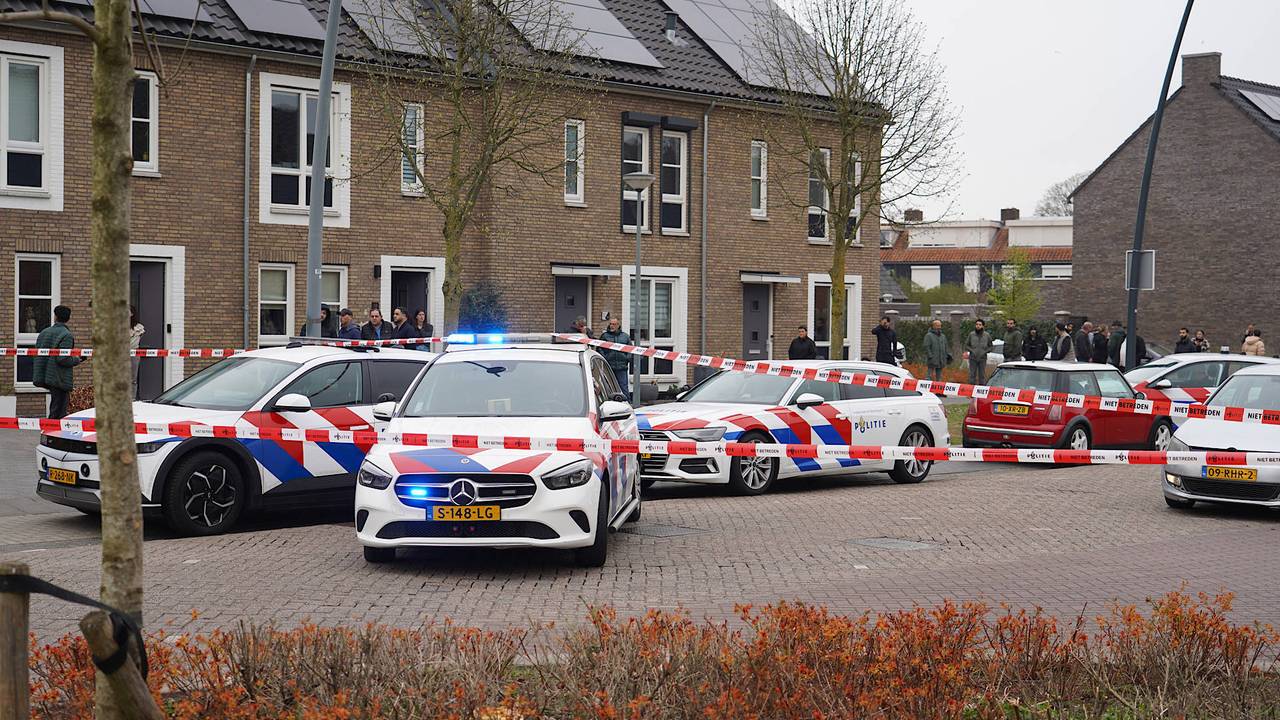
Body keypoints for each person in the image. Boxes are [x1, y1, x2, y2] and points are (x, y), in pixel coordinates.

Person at [32, 305, 82, 420]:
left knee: (54, 408)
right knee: (58, 412)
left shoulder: (44, 332)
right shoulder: (66, 335)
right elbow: (63, 359)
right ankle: (51, 436)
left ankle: (50, 435)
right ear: (68, 318)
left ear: (55, 317)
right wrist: (77, 359)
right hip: (60, 378)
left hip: (47, 376)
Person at [599, 317, 634, 399]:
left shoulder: (625, 336)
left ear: (618, 325)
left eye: (614, 324)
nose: (612, 326)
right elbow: (599, 348)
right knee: (608, 388)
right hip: (608, 366)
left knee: (623, 388)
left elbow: (630, 349)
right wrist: (605, 358)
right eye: (610, 324)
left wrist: (627, 358)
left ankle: (627, 404)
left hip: (621, 367)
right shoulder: (604, 336)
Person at [964, 319, 992, 385]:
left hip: (983, 358)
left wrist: (985, 351)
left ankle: (981, 391)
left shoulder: (987, 335)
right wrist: (972, 351)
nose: (978, 326)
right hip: (973, 358)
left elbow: (991, 346)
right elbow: (966, 345)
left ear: (983, 326)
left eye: (980, 325)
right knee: (972, 375)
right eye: (976, 324)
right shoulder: (971, 334)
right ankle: (971, 392)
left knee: (982, 375)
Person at [128, 307, 145, 401]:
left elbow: (137, 340)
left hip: (134, 353)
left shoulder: (139, 327)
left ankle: (132, 399)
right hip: (120, 354)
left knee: (133, 378)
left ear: (132, 313)